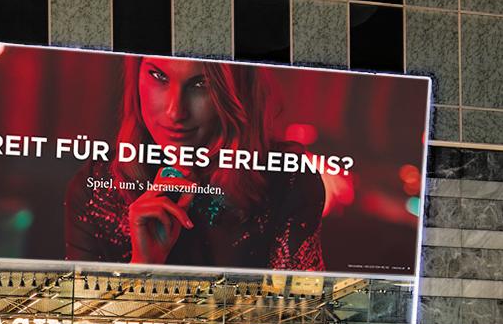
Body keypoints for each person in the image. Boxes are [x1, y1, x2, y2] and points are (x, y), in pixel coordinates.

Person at [64, 56, 327, 270]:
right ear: (135, 78)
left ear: (235, 92)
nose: (175, 112)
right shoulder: (96, 189)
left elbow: (299, 321)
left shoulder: (287, 180)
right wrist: (143, 267)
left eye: (201, 84)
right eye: (159, 77)